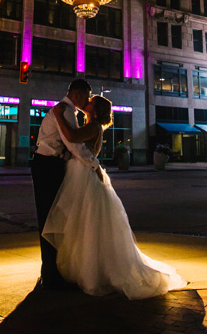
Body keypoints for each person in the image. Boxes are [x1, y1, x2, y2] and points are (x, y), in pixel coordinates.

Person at [43, 95, 186, 299]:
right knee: (83, 222)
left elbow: (72, 138)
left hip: (84, 175)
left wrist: (58, 117)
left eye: (90, 101)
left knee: (88, 222)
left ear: (95, 109)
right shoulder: (92, 126)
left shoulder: (93, 127)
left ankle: (92, 272)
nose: (87, 103)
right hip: (81, 172)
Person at [30, 78, 100, 290]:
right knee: (50, 218)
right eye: (86, 96)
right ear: (77, 94)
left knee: (52, 217)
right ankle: (51, 273)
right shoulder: (66, 110)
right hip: (48, 166)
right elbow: (73, 144)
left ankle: (51, 270)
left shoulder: (64, 109)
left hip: (47, 165)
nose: (87, 101)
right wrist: (93, 165)